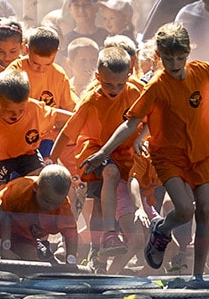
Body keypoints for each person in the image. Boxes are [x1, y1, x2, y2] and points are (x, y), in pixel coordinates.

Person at [82, 23, 209, 276]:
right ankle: (161, 230)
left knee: (205, 208)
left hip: (203, 152)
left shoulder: (202, 72)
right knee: (185, 209)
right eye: (168, 58)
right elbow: (130, 123)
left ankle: (198, 274)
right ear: (158, 56)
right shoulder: (156, 85)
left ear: (188, 53)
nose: (174, 64)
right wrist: (103, 153)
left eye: (179, 57)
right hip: (169, 156)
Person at [53, 48, 147, 259]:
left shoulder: (134, 92)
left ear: (128, 77)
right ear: (97, 77)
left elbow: (152, 120)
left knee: (99, 204)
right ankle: (109, 235)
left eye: (119, 84)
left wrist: (142, 138)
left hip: (124, 153)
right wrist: (51, 158)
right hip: (94, 151)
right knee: (109, 174)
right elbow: (68, 132)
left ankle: (99, 255)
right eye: (108, 84)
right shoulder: (90, 100)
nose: (114, 90)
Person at [0, 166, 81, 262]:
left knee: (29, 258)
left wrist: (71, 260)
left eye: (56, 203)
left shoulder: (63, 207)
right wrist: (4, 247)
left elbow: (71, 235)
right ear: (36, 187)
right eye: (47, 201)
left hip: (22, 233)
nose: (50, 207)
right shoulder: (19, 191)